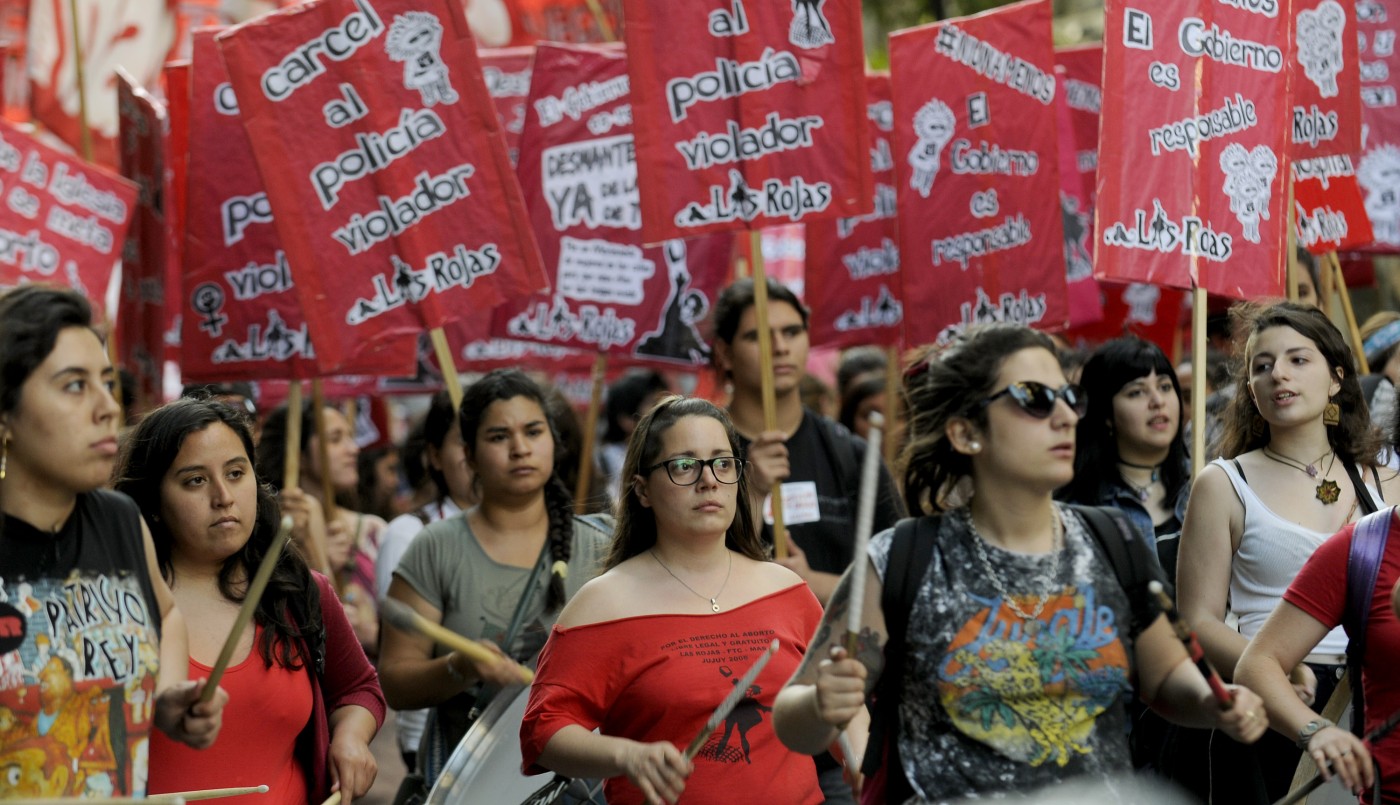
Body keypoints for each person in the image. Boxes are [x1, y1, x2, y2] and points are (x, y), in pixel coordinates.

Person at [773, 323, 1267, 803]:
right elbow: (793, 714)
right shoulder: (900, 559)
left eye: (1069, 398)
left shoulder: (1113, 539)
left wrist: (1213, 702)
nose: (1065, 417)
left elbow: (1162, 680)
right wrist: (821, 704)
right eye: (1035, 398)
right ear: (966, 432)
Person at [521, 396, 824, 805]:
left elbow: (839, 708)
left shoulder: (787, 590)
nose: (708, 480)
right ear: (642, 490)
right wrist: (627, 756)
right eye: (684, 465)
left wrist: (863, 765)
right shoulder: (603, 604)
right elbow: (543, 730)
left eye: (722, 463)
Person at [0, 286, 226, 798]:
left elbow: (164, 615)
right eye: (74, 386)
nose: (107, 407)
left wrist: (166, 695)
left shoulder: (121, 520)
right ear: (5, 415)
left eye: (106, 381)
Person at [1177, 302, 1400, 803]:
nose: (1278, 373)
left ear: (1337, 379)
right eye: (1262, 365)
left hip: (1376, 697)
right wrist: (1277, 668)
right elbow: (1198, 619)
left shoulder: (1387, 479)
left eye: (1298, 359)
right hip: (1274, 707)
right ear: (1251, 391)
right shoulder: (1222, 483)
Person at [115, 399, 385, 805]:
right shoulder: (113, 607)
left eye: (236, 473)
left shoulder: (298, 591)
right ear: (152, 502)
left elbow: (358, 687)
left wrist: (350, 738)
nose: (223, 496)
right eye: (194, 481)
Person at [378, 369, 612, 784]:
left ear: (555, 443)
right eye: (499, 436)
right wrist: (459, 666)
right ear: (468, 455)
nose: (520, 448)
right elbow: (395, 682)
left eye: (533, 431)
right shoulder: (436, 547)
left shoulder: (603, 543)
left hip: (586, 780)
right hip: (472, 781)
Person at [710, 278, 904, 605]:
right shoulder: (701, 451)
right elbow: (691, 578)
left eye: (792, 332)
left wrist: (812, 583)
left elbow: (899, 580)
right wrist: (752, 492)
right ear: (725, 353)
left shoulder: (851, 454)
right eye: (757, 336)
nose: (780, 347)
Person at [374, 389, 478, 772]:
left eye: (493, 435)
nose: (479, 452)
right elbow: (401, 658)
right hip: (439, 745)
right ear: (435, 455)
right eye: (463, 441)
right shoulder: (410, 533)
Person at [258, 401, 384, 654]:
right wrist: (313, 555)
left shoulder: (373, 530)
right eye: (336, 439)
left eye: (351, 436)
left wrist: (372, 633)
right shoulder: (266, 531)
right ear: (299, 455)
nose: (354, 449)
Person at [1061, 337, 1190, 578]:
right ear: (1106, 413)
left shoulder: (1205, 482)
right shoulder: (1077, 509)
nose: (1158, 402)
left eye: (1164, 387)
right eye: (1137, 392)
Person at [599, 370, 671, 503]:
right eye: (654, 404)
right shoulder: (602, 463)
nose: (666, 411)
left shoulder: (671, 452)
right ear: (626, 420)